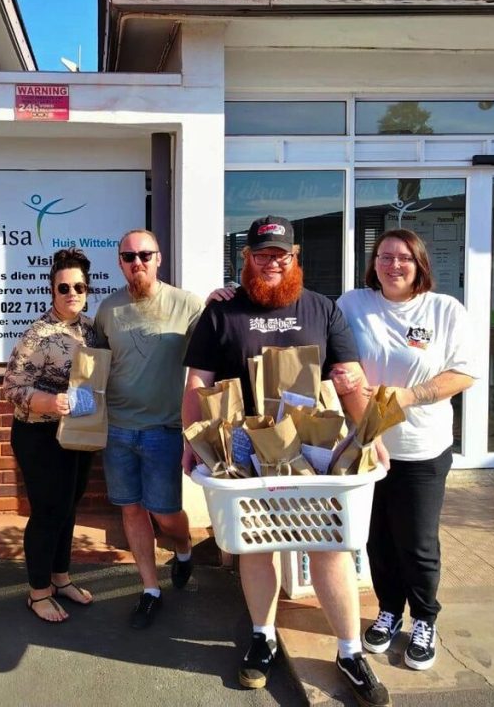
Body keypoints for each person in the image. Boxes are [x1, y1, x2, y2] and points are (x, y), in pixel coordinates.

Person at [183, 215, 390, 707]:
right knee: (256, 548)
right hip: (243, 451)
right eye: (261, 254)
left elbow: (350, 376)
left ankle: (348, 650)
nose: (271, 262)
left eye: (280, 254)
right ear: (245, 259)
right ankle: (263, 636)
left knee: (329, 547)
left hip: (312, 453)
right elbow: (197, 382)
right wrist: (189, 440)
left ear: (295, 257)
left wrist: (371, 434)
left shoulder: (323, 309)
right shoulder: (220, 314)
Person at [335, 228, 477, 673]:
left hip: (421, 448)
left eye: (403, 258)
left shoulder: (444, 310)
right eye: (384, 256)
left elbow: (465, 374)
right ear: (372, 262)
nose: (393, 265)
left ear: (419, 265)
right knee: (376, 538)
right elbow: (311, 331)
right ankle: (388, 610)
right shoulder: (352, 304)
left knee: (416, 542)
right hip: (366, 448)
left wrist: (407, 396)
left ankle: (424, 620)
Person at [94, 229, 204, 629]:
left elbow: (213, 349)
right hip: (118, 429)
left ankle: (184, 546)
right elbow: (95, 369)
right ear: (120, 262)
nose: (136, 262)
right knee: (130, 508)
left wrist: (227, 301)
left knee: (165, 511)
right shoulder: (108, 309)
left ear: (159, 258)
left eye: (144, 255)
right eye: (128, 256)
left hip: (164, 427)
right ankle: (150, 589)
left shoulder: (187, 304)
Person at [2, 249, 98, 623]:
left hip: (79, 432)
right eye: (63, 287)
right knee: (47, 512)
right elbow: (11, 388)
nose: (71, 292)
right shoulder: (38, 335)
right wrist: (48, 400)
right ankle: (38, 592)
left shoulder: (91, 328)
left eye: (78, 286)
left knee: (68, 507)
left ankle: (60, 579)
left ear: (87, 288)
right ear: (52, 290)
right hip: (39, 436)